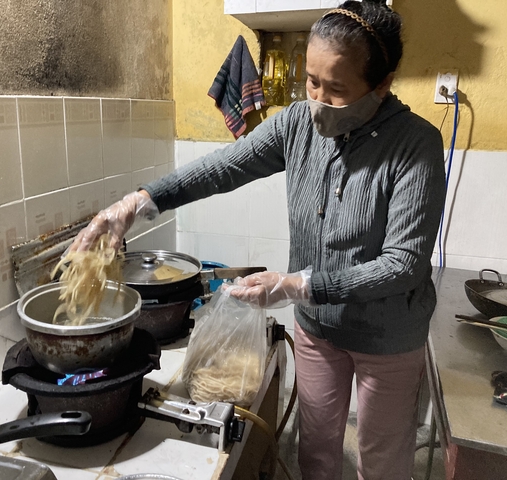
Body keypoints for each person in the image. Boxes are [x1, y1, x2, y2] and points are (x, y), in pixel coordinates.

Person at [70, 1, 446, 478]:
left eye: (336, 90)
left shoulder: (416, 145)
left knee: (382, 459)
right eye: (311, 81)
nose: (317, 100)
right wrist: (140, 202)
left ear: (383, 83)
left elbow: (403, 265)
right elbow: (225, 167)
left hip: (389, 335)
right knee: (316, 451)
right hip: (318, 329)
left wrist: (298, 286)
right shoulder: (296, 124)